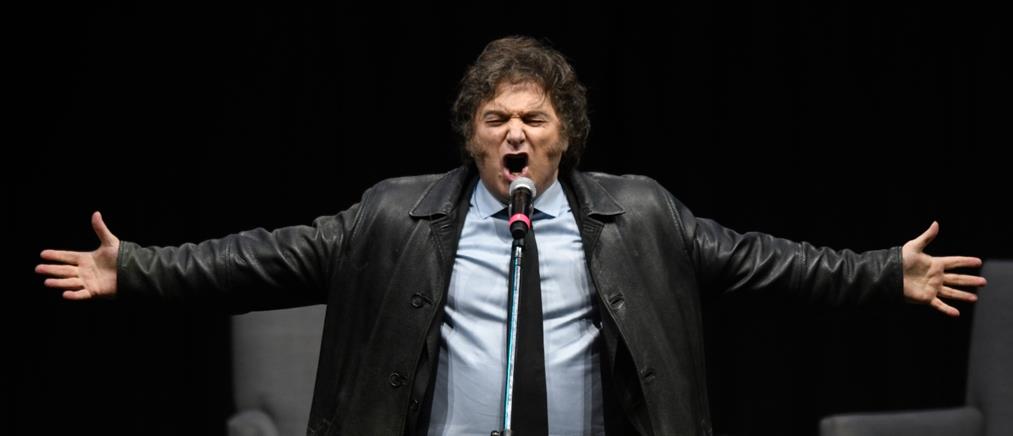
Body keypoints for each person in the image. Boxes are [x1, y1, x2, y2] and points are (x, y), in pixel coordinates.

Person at [36, 36, 986, 436]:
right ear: (471, 136)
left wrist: (879, 272)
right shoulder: (394, 215)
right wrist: (141, 268)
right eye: (495, 119)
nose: (515, 134)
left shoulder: (638, 214)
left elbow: (762, 262)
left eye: (533, 118)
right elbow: (260, 256)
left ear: (564, 134)